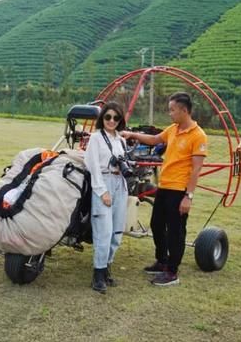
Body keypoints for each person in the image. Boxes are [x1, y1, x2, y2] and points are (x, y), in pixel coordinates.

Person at [121, 92, 207, 286]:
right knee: (157, 225)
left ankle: (172, 272)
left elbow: (196, 169)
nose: (170, 114)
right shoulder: (173, 129)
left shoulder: (198, 136)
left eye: (172, 110)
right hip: (165, 187)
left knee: (176, 231)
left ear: (184, 111)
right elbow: (154, 140)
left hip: (179, 191)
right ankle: (162, 261)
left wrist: (189, 197)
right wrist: (132, 134)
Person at [84, 101, 129, 294]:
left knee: (116, 232)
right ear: (102, 118)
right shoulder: (96, 138)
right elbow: (92, 165)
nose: (112, 121)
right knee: (103, 230)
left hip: (121, 185)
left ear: (121, 120)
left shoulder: (122, 140)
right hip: (104, 182)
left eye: (116, 118)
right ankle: (98, 274)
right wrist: (102, 192)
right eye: (108, 117)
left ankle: (107, 266)